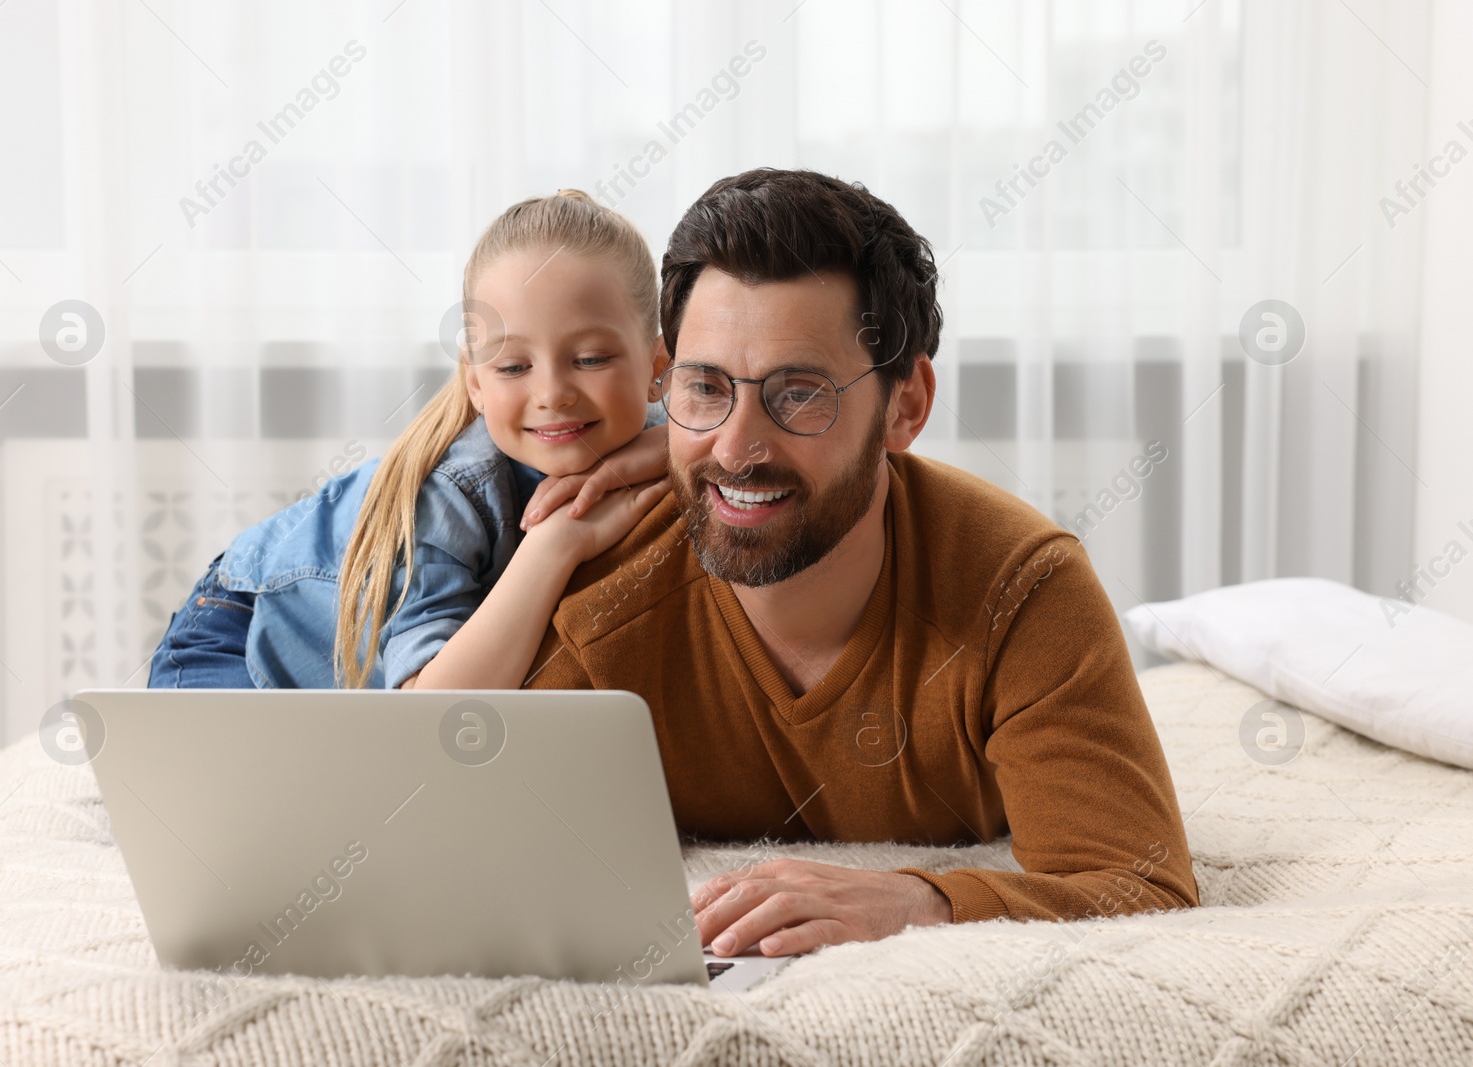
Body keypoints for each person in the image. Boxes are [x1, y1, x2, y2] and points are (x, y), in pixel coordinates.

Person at [519, 169, 1201, 958]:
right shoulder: (601, 589)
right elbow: (469, 838)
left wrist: (918, 899)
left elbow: (1139, 884)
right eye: (707, 388)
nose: (737, 448)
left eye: (799, 392)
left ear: (905, 405)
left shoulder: (1021, 587)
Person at [148, 190, 671, 690]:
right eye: (513, 366)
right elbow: (437, 710)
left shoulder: (656, 431)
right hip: (236, 635)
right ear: (476, 385)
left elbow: (732, 439)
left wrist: (670, 447)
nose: (553, 393)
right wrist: (555, 543)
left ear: (658, 366)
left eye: (591, 359)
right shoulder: (450, 493)